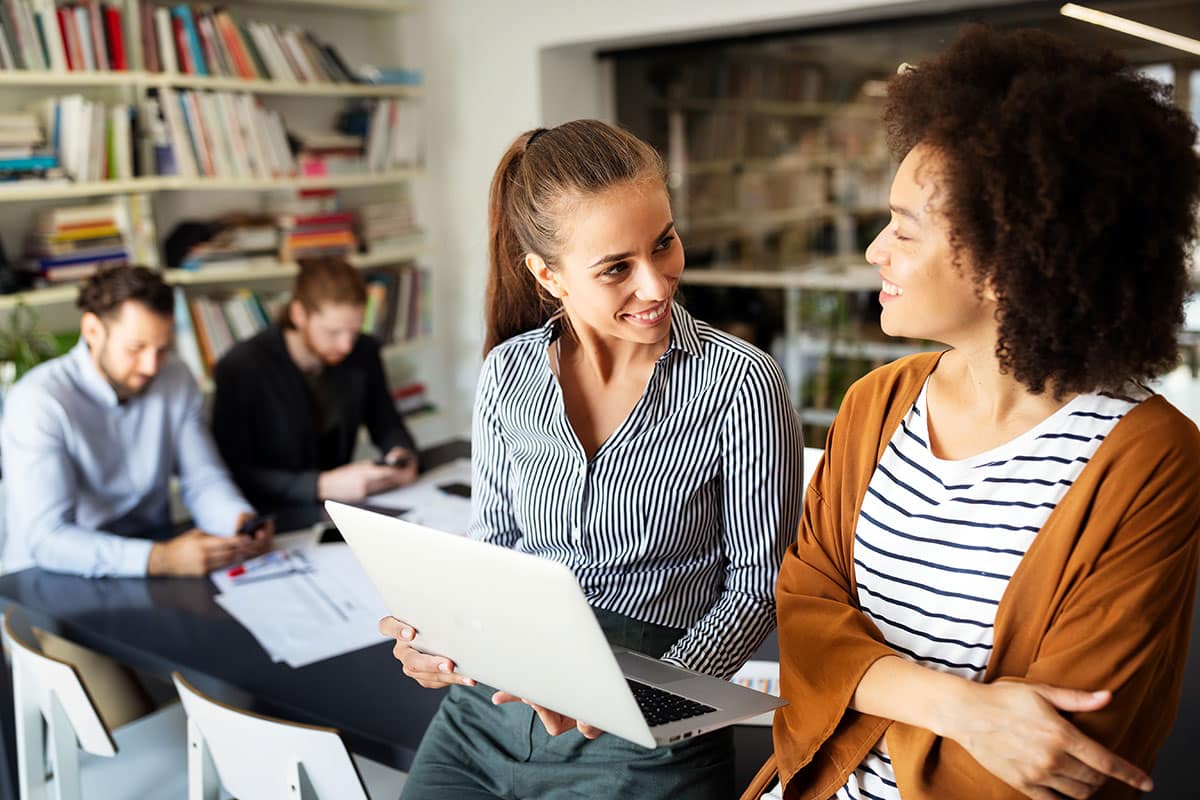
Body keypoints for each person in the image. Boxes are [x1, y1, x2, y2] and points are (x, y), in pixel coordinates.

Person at [748, 26, 1200, 800]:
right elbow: (804, 619)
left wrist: (867, 683)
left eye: (905, 227)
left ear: (1005, 260)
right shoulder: (876, 405)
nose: (875, 251)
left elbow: (1058, 757)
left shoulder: (1152, 459)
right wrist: (963, 707)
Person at [378, 119, 804, 799]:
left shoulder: (739, 380)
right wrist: (440, 633)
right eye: (615, 269)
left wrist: (631, 699)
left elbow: (760, 585)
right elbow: (496, 551)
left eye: (663, 242)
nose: (657, 285)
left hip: (649, 721)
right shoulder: (508, 374)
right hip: (488, 712)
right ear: (548, 276)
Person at [2, 265, 273, 579]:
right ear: (92, 331)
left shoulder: (177, 377)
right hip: (49, 576)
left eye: (161, 349)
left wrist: (237, 522)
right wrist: (161, 559)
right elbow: (48, 538)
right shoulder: (38, 401)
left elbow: (203, 479)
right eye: (136, 348)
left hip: (145, 558)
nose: (150, 366)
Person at [212, 256, 418, 512]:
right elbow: (233, 472)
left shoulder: (363, 352)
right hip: (273, 514)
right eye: (333, 332)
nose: (346, 345)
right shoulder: (242, 367)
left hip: (340, 508)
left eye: (354, 331)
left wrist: (399, 453)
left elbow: (386, 421)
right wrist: (321, 485)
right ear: (299, 314)